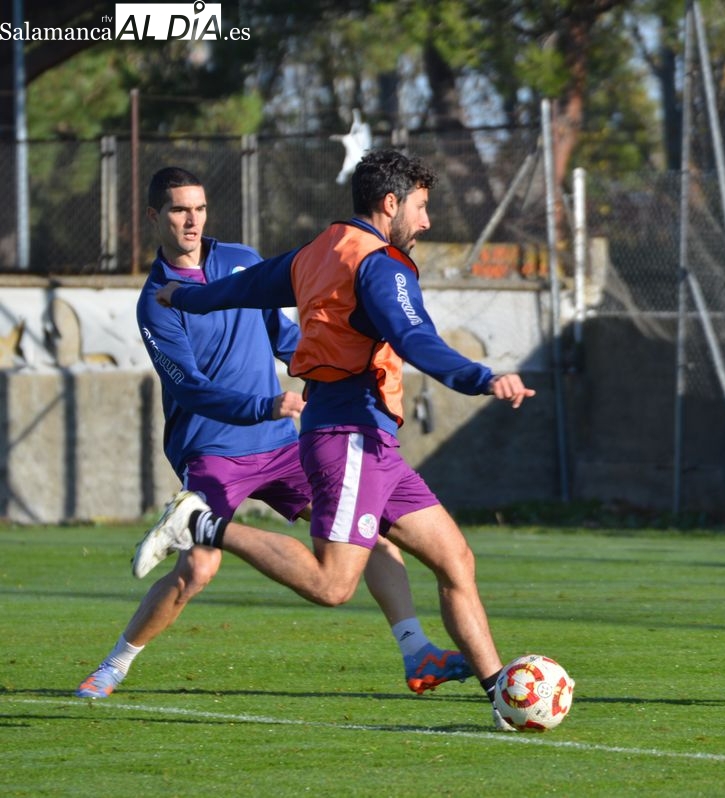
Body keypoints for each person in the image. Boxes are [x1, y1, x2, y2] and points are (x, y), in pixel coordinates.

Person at [139, 150, 535, 730]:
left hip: (370, 438)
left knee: (456, 559)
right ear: (391, 203)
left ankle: (499, 691)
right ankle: (201, 526)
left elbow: (236, 289)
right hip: (349, 435)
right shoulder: (382, 265)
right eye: (422, 208)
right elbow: (415, 338)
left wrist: (184, 297)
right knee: (332, 584)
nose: (426, 222)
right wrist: (482, 376)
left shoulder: (316, 251)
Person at [77, 167, 469, 700]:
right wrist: (268, 403)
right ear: (153, 217)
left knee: (368, 526)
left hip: (282, 447)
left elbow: (286, 336)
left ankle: (416, 649)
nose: (191, 220)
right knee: (198, 569)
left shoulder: (240, 259)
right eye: (177, 210)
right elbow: (190, 390)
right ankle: (114, 666)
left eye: (199, 208)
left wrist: (334, 374)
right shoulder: (156, 302)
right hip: (214, 451)